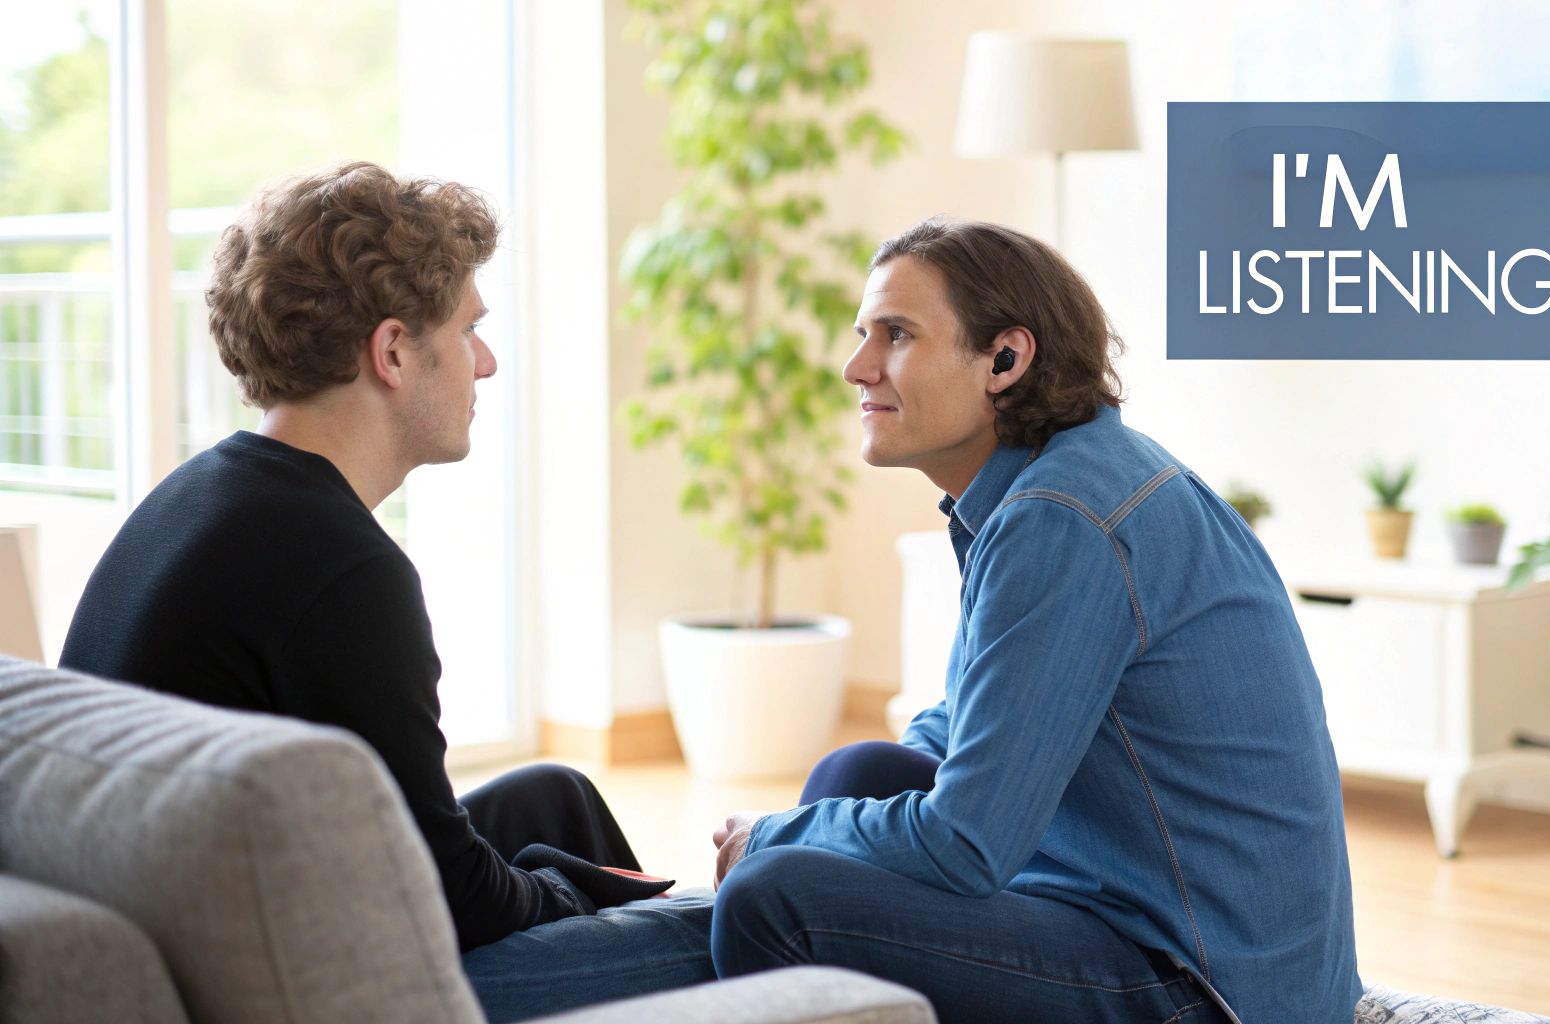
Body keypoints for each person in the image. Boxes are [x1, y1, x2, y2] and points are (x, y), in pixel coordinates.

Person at [59, 162, 714, 1022]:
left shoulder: (202, 494)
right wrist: (574, 895)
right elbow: (457, 899)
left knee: (556, 796)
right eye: (471, 328)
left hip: (252, 912)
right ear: (394, 351)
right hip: (299, 987)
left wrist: (566, 883)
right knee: (734, 919)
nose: (485, 362)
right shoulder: (342, 570)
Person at [707, 219, 1362, 1024]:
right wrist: (824, 824)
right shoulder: (1058, 483)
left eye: (896, 335)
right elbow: (972, 720)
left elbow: (966, 841)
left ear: (1005, 360)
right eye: (862, 335)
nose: (856, 367)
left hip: (1206, 989)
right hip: (1147, 916)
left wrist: (777, 836)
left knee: (777, 900)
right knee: (861, 777)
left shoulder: (1064, 519)